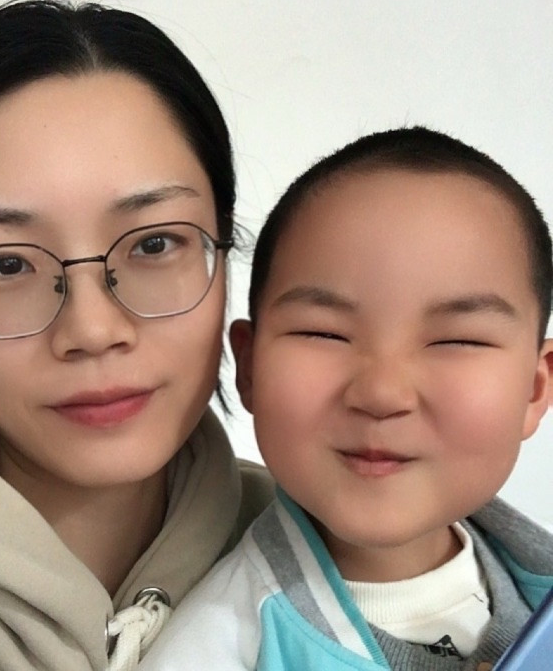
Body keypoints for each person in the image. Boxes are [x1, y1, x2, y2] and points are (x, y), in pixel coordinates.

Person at [0, 0, 273, 670]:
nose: (93, 330)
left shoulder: (331, 558)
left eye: (154, 244)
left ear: (223, 237)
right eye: (7, 264)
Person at [140, 126, 553, 671]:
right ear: (250, 366)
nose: (382, 393)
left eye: (457, 341)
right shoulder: (216, 651)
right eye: (325, 333)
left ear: (534, 388)